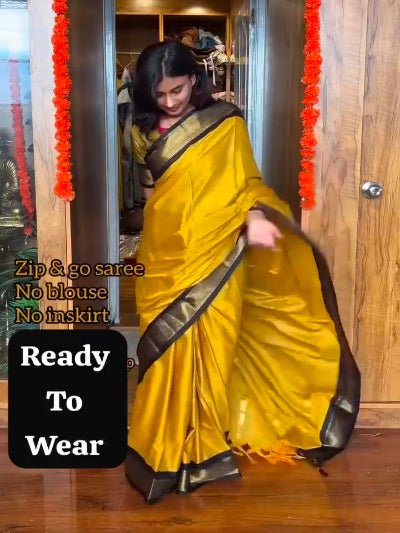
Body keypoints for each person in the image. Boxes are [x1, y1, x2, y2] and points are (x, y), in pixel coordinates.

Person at [125, 40, 361, 505]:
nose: (170, 101)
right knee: (166, 349)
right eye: (160, 94)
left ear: (195, 79)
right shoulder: (142, 128)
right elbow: (155, 191)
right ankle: (164, 446)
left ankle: (205, 449)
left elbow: (247, 181)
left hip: (217, 251)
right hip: (166, 252)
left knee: (215, 346)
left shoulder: (226, 123)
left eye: (177, 90)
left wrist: (256, 215)